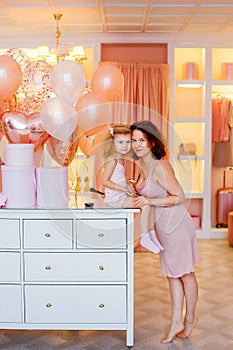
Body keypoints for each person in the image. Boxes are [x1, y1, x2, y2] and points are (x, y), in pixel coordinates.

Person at [130, 120, 199, 343]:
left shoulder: (161, 165)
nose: (137, 145)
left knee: (185, 273)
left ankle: (188, 319)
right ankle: (178, 321)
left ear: (151, 142)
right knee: (173, 274)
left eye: (142, 140)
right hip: (165, 227)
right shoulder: (144, 166)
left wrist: (150, 199)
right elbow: (148, 196)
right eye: (134, 141)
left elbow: (179, 196)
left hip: (176, 224)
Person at [101, 124, 163, 253]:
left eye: (128, 142)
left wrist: (128, 182)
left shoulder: (120, 159)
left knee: (147, 204)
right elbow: (104, 181)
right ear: (112, 143)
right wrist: (123, 188)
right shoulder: (112, 160)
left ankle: (150, 235)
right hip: (116, 198)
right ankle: (146, 236)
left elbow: (116, 177)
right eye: (120, 142)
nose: (125, 145)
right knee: (145, 205)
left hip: (121, 194)